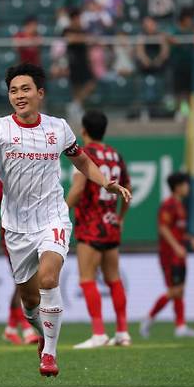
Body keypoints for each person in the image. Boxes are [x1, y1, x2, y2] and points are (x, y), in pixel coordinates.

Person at [0, 63, 131, 377]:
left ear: (40, 93)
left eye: (25, 89)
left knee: (48, 279)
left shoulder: (59, 128)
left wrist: (105, 182)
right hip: (16, 227)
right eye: (13, 90)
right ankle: (43, 333)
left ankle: (49, 354)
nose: (19, 95)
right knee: (29, 301)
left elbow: (82, 161)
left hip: (52, 218)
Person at [66, 110, 131, 349]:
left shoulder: (85, 154)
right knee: (114, 279)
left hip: (90, 225)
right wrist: (120, 218)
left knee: (87, 278)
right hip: (110, 223)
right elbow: (127, 188)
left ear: (83, 130)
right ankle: (122, 332)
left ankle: (98, 333)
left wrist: (61, 211)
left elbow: (78, 189)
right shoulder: (115, 154)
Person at [140, 172, 194, 339]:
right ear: (178, 187)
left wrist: (190, 239)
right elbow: (163, 228)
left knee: (180, 291)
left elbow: (178, 231)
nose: (188, 187)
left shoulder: (180, 206)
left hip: (179, 254)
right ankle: (149, 317)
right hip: (169, 255)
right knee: (174, 290)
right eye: (186, 184)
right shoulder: (168, 205)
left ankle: (180, 326)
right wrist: (176, 246)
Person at [0, 176, 39, 345]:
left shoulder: (36, 171)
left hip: (35, 233)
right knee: (23, 281)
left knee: (27, 281)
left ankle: (11, 329)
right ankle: (26, 329)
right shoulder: (2, 177)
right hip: (12, 236)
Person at [63, 9, 97, 124]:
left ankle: (74, 105)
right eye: (77, 18)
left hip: (83, 61)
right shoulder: (67, 29)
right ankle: (77, 109)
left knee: (90, 83)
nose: (79, 20)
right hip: (73, 62)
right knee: (76, 87)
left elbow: (88, 41)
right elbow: (70, 39)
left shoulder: (83, 30)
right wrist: (84, 38)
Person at [168, 8, 194, 121]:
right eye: (189, 19)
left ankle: (187, 111)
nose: (190, 21)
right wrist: (174, 40)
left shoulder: (192, 31)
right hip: (178, 65)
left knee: (188, 90)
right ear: (184, 19)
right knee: (179, 91)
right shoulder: (174, 29)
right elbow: (167, 36)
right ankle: (180, 111)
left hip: (189, 64)